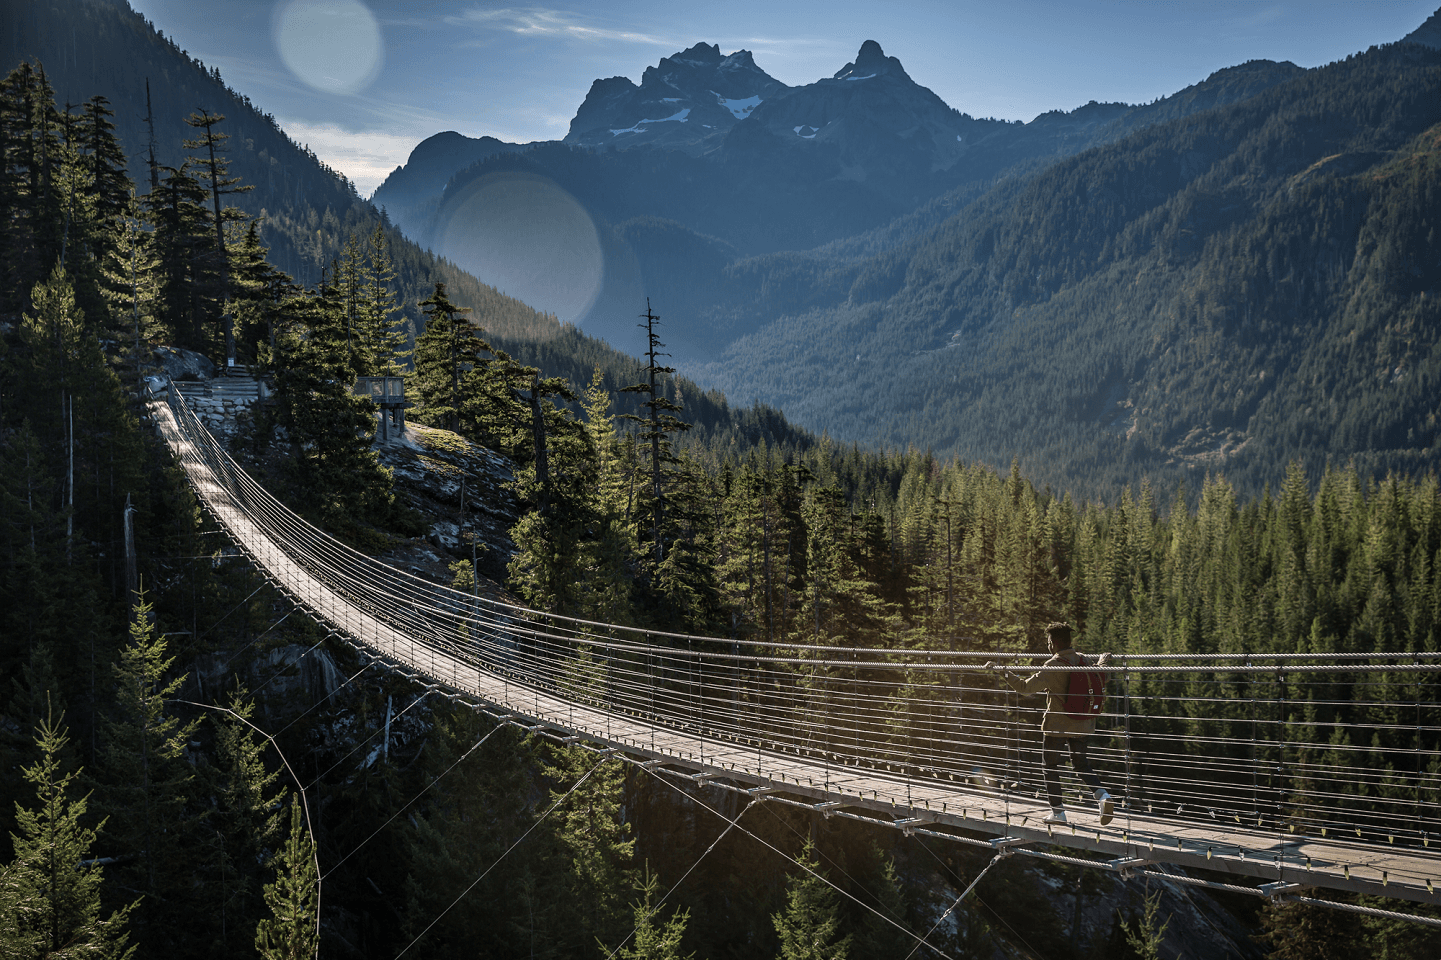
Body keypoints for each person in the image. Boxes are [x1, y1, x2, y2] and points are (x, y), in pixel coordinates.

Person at [985, 622, 1115, 826]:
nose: (1047, 646)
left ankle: (1058, 813)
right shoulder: (1084, 659)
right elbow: (1101, 675)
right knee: (1081, 764)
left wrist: (1003, 672)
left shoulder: (1053, 665)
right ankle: (1103, 796)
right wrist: (1103, 661)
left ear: (1054, 643)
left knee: (1050, 766)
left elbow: (1025, 688)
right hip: (1083, 723)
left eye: (1048, 642)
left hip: (1057, 725)